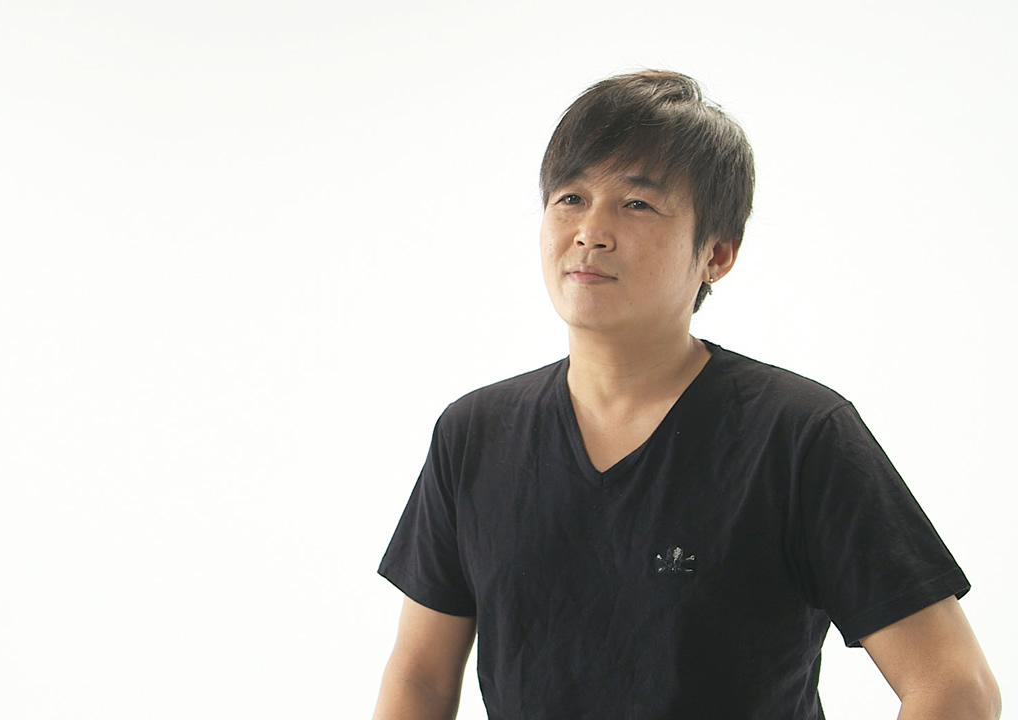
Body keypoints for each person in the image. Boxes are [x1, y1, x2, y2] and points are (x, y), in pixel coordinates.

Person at [372, 70, 1000, 719]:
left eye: (637, 204)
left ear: (717, 254)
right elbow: (420, 680)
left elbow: (955, 688)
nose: (591, 231)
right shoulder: (475, 435)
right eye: (571, 198)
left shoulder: (799, 435)